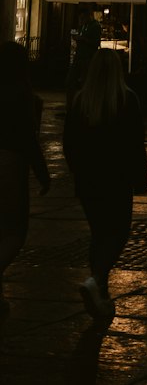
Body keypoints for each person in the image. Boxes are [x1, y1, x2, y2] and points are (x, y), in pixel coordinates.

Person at [63, 48, 147, 323]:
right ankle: (97, 279)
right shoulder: (127, 100)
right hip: (117, 178)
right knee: (119, 231)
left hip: (89, 180)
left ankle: (101, 290)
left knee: (99, 232)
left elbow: (69, 143)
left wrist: (77, 170)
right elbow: (136, 145)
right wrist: (140, 181)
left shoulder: (80, 102)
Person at [0, 42, 49, 321]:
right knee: (15, 231)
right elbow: (28, 137)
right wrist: (42, 172)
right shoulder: (21, 94)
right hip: (10, 162)